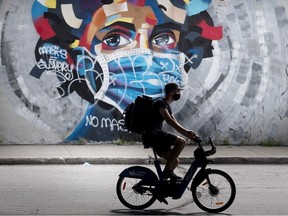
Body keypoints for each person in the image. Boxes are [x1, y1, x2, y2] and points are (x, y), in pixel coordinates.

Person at [142, 82, 199, 180]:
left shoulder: (167, 106)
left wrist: (188, 134)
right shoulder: (160, 103)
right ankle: (168, 171)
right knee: (181, 142)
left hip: (155, 136)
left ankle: (161, 186)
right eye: (177, 91)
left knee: (175, 161)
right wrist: (186, 135)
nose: (179, 93)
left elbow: (174, 122)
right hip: (152, 134)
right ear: (172, 92)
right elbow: (169, 121)